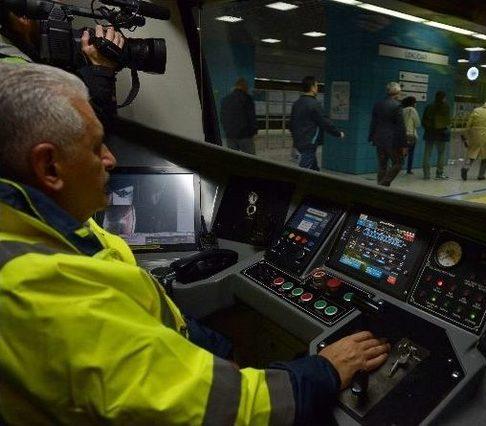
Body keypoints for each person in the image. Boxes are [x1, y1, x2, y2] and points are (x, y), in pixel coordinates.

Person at [0, 63, 390, 424]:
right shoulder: (38, 291)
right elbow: (221, 410)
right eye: (95, 147)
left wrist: (217, 351)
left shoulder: (46, 226)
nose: (110, 159)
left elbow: (142, 305)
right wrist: (325, 370)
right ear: (49, 167)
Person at [0, 6, 124, 129]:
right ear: (22, 16)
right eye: (48, 7)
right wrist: (101, 70)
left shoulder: (15, 44)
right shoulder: (15, 71)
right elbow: (75, 133)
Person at [290, 76, 345, 170]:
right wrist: (338, 133)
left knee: (314, 168)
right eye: (316, 85)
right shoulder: (314, 104)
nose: (317, 88)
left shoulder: (297, 103)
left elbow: (291, 123)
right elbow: (324, 122)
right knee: (304, 170)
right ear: (312, 87)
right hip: (309, 141)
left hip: (298, 140)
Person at [369, 82, 408, 186]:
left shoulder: (378, 104)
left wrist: (371, 137)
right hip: (392, 141)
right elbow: (401, 127)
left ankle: (379, 189)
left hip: (379, 139)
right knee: (399, 163)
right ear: (397, 92)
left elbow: (373, 122)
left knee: (382, 165)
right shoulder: (398, 106)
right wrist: (404, 145)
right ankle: (384, 183)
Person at [220, 77, 259, 154]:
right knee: (250, 159)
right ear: (245, 87)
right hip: (245, 135)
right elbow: (251, 117)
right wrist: (254, 131)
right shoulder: (247, 99)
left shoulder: (225, 99)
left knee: (234, 160)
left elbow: (222, 117)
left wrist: (226, 130)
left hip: (230, 135)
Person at [422, 91, 451, 179]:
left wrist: (428, 128)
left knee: (427, 154)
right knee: (441, 153)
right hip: (441, 133)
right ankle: (439, 173)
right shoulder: (446, 107)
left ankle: (426, 174)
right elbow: (447, 121)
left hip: (430, 132)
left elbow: (423, 120)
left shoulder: (429, 106)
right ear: (443, 98)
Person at [401, 96, 421, 174]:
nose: (416, 104)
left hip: (402, 134)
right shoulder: (412, 110)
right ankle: (409, 170)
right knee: (410, 152)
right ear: (412, 103)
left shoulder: (402, 110)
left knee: (402, 152)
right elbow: (418, 123)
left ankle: (396, 166)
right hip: (410, 134)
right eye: (415, 102)